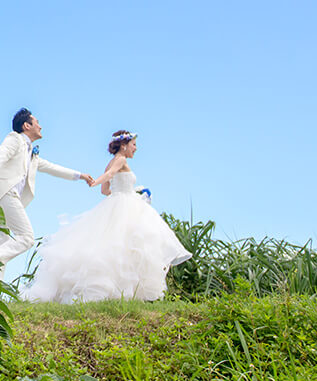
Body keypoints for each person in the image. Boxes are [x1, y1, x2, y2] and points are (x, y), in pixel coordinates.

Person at [20, 130, 192, 303]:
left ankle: (121, 292)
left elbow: (106, 191)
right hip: (125, 205)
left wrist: (132, 191)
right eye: (134, 145)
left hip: (118, 201)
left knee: (115, 247)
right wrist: (96, 182)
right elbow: (108, 178)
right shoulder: (121, 160)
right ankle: (127, 292)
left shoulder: (111, 162)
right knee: (131, 245)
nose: (136, 148)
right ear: (124, 146)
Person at [0, 108, 95, 278]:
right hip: (4, 194)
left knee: (0, 248)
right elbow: (0, 156)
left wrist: (79, 175)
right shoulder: (15, 139)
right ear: (26, 125)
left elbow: (52, 168)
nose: (40, 126)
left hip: (1, 199)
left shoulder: (31, 153)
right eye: (37, 122)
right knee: (26, 237)